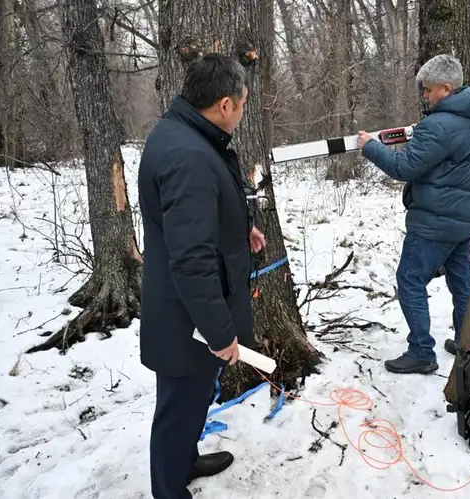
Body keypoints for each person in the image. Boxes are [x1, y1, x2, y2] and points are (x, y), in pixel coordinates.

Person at [137, 53, 266, 499]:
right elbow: (190, 258)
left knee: (192, 403)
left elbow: (195, 218)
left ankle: (186, 460)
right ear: (226, 104)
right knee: (178, 409)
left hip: (188, 313)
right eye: (244, 103)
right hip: (185, 319)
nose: (244, 112)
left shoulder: (187, 135)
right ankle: (169, 490)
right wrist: (218, 332)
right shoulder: (188, 156)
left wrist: (238, 226)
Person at [356, 54, 470, 374]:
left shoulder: (438, 125)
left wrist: (370, 146)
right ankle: (465, 340)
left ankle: (421, 351)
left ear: (446, 88)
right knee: (461, 283)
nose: (425, 96)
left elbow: (402, 167)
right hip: (463, 218)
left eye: (428, 91)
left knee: (410, 279)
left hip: (434, 221)